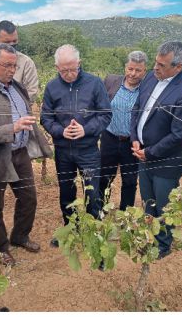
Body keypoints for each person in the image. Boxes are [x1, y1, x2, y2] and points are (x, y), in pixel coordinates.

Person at [0, 43, 52, 265]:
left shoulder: (17, 87)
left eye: (14, 66)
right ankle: (0, 246)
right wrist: (12, 129)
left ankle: (19, 236)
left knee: (29, 199)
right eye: (7, 65)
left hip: (20, 154)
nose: (11, 70)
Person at [131, 41, 182, 259]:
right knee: (148, 201)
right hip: (142, 154)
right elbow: (137, 109)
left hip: (165, 161)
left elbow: (179, 135)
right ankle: (148, 236)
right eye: (156, 63)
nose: (155, 68)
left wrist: (150, 152)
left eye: (162, 65)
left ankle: (162, 244)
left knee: (164, 204)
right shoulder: (151, 77)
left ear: (178, 67)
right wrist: (135, 138)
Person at [41, 44, 111, 246]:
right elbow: (46, 118)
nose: (69, 74)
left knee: (92, 193)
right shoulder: (52, 87)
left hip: (88, 151)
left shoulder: (95, 83)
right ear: (57, 68)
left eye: (73, 69)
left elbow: (105, 115)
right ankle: (71, 231)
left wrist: (85, 130)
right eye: (64, 70)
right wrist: (60, 131)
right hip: (63, 152)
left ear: (79, 64)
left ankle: (94, 237)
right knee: (66, 193)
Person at [99, 50, 147, 210]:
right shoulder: (111, 81)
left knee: (130, 180)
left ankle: (125, 215)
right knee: (105, 177)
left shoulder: (147, 89)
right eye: (130, 69)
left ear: (144, 71)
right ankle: (100, 209)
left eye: (138, 70)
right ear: (125, 67)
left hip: (132, 143)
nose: (133, 74)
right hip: (109, 138)